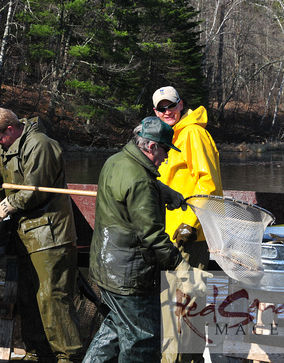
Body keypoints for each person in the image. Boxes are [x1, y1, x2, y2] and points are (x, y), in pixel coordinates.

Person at [84, 117, 211, 362]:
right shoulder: (141, 180)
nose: (166, 157)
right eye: (165, 150)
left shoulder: (115, 161)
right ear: (151, 147)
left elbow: (131, 187)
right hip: (128, 277)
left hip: (104, 268)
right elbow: (153, 236)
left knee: (114, 329)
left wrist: (164, 191)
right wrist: (184, 270)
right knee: (142, 341)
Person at [0, 107, 82, 362]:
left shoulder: (41, 145)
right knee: (29, 298)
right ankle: (37, 352)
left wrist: (4, 207)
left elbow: (35, 190)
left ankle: (68, 356)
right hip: (24, 235)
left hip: (50, 234)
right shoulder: (2, 148)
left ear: (10, 130)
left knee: (53, 298)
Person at [153, 86, 223, 363]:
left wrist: (191, 224)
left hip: (188, 236)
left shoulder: (194, 133)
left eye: (171, 105)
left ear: (181, 104)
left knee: (186, 303)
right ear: (155, 112)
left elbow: (210, 185)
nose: (167, 111)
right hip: (168, 233)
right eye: (161, 108)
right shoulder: (167, 136)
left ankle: (181, 360)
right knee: (172, 305)